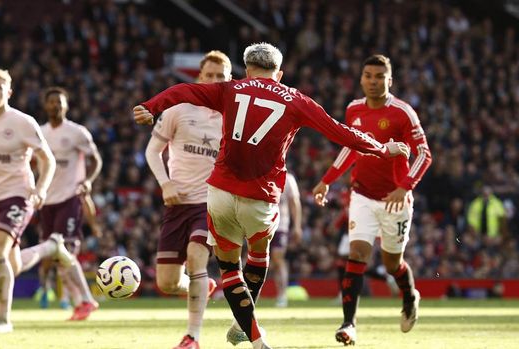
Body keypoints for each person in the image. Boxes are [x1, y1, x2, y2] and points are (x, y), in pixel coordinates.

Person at [134, 43, 410, 349]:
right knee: (258, 256)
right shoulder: (295, 99)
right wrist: (383, 148)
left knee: (227, 268)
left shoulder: (230, 89)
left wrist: (151, 104)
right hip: (262, 197)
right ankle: (247, 325)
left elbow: (184, 90)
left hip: (220, 191)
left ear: (247, 68)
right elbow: (339, 131)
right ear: (278, 73)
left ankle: (254, 338)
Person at [312, 54, 432, 345]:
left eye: (380, 77)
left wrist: (405, 186)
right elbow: (350, 148)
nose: (373, 82)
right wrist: (326, 180)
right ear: (361, 78)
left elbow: (424, 154)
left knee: (393, 264)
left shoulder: (403, 113)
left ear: (390, 80)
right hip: (362, 195)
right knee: (357, 255)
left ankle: (409, 295)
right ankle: (349, 324)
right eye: (368, 76)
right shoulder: (353, 109)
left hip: (395, 200)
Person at [0, 68, 74, 333]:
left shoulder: (23, 122)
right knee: (11, 265)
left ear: (9, 92)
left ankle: (3, 320)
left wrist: (40, 189)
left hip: (18, 195)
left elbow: (46, 159)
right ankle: (50, 247)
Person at [145, 50, 231, 349]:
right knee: (167, 282)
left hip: (210, 203)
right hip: (176, 203)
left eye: (221, 76)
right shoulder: (178, 110)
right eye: (209, 75)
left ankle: (192, 336)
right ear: (199, 77)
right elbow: (152, 151)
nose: (214, 81)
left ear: (229, 80)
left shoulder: (232, 120)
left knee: (197, 258)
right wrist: (165, 184)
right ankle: (203, 286)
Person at [38, 86, 103, 320]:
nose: (56, 105)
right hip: (47, 200)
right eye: (52, 102)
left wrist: (87, 181)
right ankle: (80, 303)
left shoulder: (77, 132)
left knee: (64, 250)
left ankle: (85, 300)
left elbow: (96, 160)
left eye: (60, 102)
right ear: (45, 106)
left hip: (69, 198)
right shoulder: (39, 133)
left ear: (66, 106)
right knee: (58, 258)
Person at [270, 172, 302, 308]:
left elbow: (294, 202)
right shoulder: (262, 174)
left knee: (278, 259)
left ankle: (282, 294)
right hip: (261, 223)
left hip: (280, 224)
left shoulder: (288, 178)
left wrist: (297, 226)